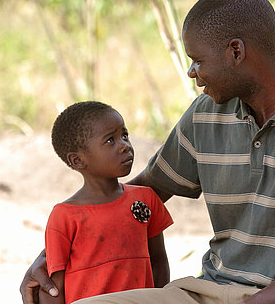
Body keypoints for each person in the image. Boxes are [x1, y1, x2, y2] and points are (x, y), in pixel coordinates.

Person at [21, 0, 275, 304]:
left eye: (198, 60)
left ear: (235, 51)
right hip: (207, 292)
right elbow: (137, 197)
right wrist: (52, 257)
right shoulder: (206, 114)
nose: (192, 73)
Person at [37, 101, 173, 304]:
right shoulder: (64, 216)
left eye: (124, 135)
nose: (125, 145)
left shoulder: (145, 199)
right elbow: (53, 287)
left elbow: (159, 261)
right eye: (110, 140)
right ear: (78, 160)